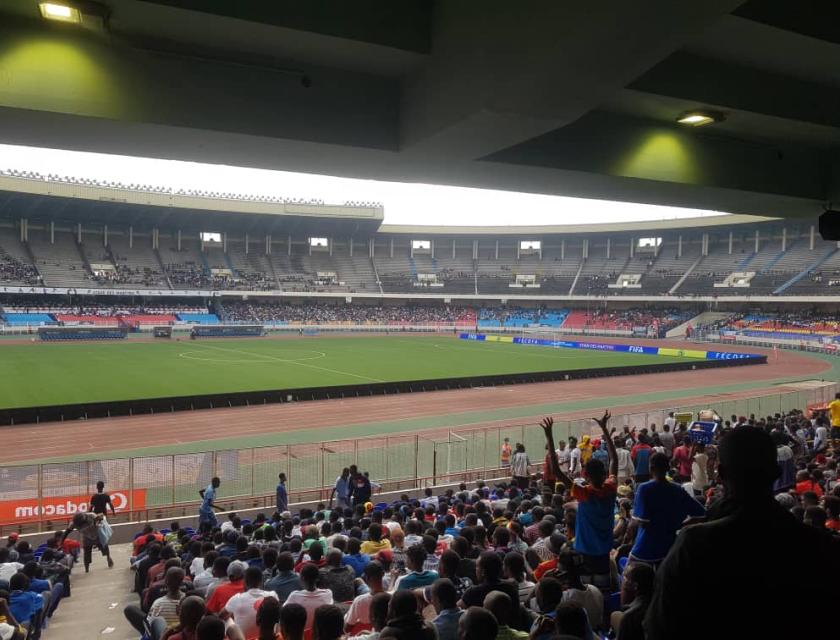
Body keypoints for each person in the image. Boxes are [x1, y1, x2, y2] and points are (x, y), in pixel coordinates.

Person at [644, 427, 840, 639]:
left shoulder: (693, 546)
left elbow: (657, 629)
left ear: (722, 473)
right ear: (776, 472)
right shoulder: (820, 545)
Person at [542, 412, 618, 589]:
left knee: (583, 590)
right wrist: (605, 429)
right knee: (602, 593)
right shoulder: (611, 487)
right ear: (604, 473)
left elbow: (558, 471)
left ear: (586, 476)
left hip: (584, 553)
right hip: (603, 554)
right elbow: (614, 459)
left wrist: (549, 436)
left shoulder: (584, 493)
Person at [629, 452, 705, 567]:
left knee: (629, 576)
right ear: (668, 468)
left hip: (645, 549)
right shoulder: (677, 489)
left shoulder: (644, 489)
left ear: (651, 468)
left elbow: (641, 522)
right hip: (669, 548)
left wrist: (632, 518)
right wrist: (680, 525)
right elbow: (701, 514)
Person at [223, 566, 279, 639]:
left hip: (244, 637)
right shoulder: (272, 595)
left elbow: (222, 615)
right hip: (272, 635)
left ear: (245, 581)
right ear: (261, 581)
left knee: (228, 619)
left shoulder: (237, 598)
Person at [284, 563, 334, 632]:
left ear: (302, 578)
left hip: (301, 635)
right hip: (321, 634)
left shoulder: (294, 596)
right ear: (317, 578)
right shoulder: (328, 593)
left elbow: (283, 613)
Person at [611, 564, 654, 640]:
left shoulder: (630, 617)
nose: (623, 580)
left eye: (626, 577)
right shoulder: (660, 606)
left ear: (635, 586)